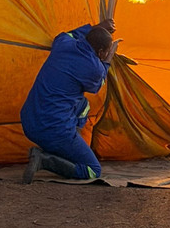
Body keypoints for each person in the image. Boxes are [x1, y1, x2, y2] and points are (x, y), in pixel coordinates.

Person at [20, 19, 119, 183]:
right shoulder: (93, 67)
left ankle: (69, 145)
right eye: (105, 51)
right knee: (93, 170)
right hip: (54, 129)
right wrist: (108, 59)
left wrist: (95, 28)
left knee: (83, 105)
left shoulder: (63, 44)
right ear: (101, 52)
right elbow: (99, 83)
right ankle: (45, 160)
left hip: (29, 121)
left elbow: (69, 34)